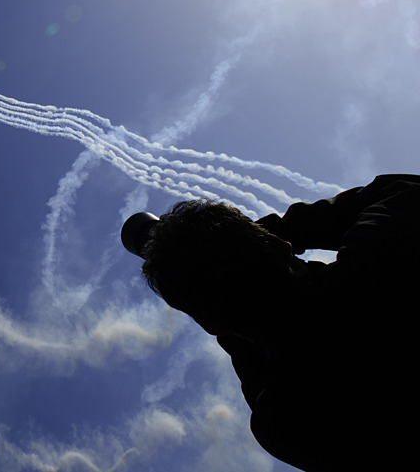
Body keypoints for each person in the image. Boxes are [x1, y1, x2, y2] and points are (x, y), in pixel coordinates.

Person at [136, 174, 420, 472]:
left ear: (211, 325)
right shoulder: (382, 261)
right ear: (280, 244)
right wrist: (282, 230)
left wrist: (221, 316)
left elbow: (259, 376)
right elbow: (402, 190)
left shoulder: (282, 422)